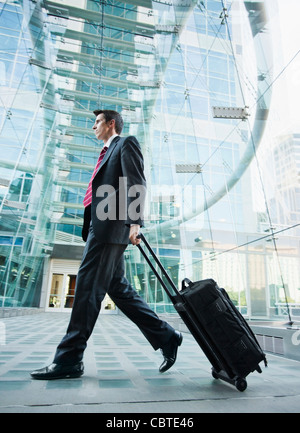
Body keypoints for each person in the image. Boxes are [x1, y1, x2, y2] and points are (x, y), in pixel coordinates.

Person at [31, 109, 182, 380]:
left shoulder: (126, 143)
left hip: (110, 227)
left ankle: (69, 359)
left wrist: (135, 223)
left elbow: (137, 181)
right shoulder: (104, 153)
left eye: (97, 122)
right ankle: (167, 336)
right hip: (100, 226)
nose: (93, 127)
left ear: (111, 123)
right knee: (119, 289)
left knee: (87, 288)